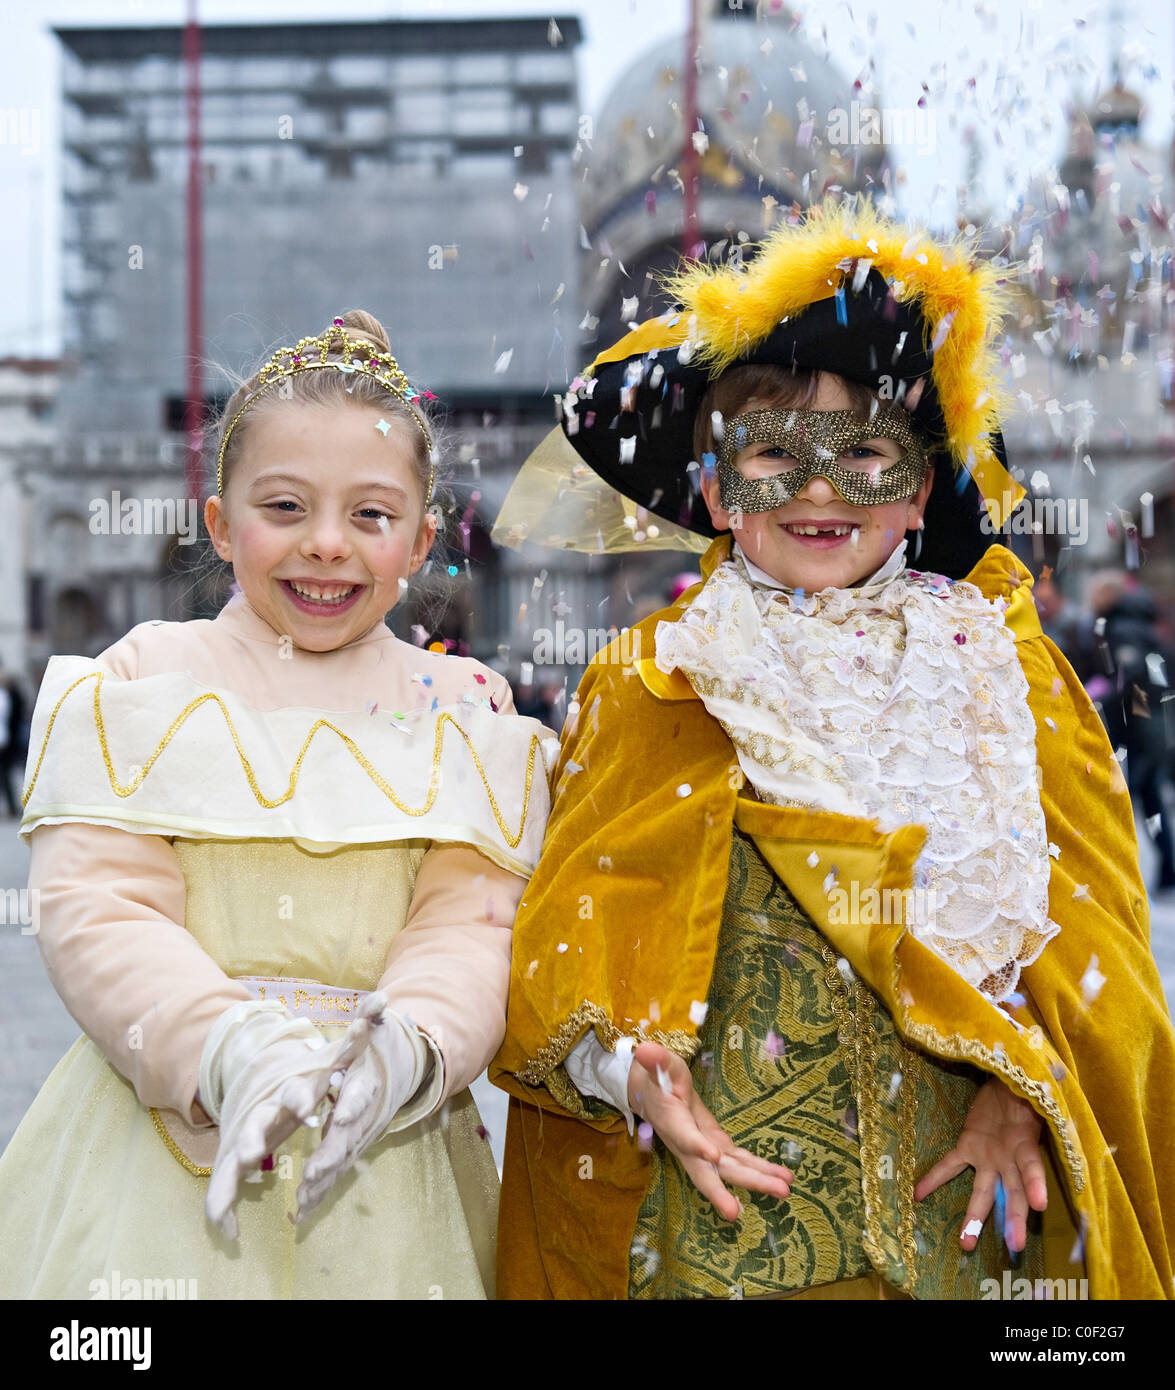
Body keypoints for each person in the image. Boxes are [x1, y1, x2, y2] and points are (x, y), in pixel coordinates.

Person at [489, 201, 1175, 1300]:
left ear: (914, 494)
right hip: (719, 1238)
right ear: (713, 491)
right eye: (771, 454)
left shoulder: (1007, 671)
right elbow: (568, 934)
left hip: (970, 1222)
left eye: (860, 453)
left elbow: (1098, 948)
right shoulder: (657, 675)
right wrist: (621, 1066)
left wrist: (1024, 1086)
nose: (815, 489)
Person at [0, 311, 552, 1298]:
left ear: (421, 539)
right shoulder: (145, 677)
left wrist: (412, 1047)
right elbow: (99, 905)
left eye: (371, 516)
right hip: (161, 1148)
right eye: (285, 506)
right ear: (220, 522)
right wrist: (222, 1043)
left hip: (387, 1165)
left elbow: (469, 926)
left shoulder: (466, 711)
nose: (326, 545)